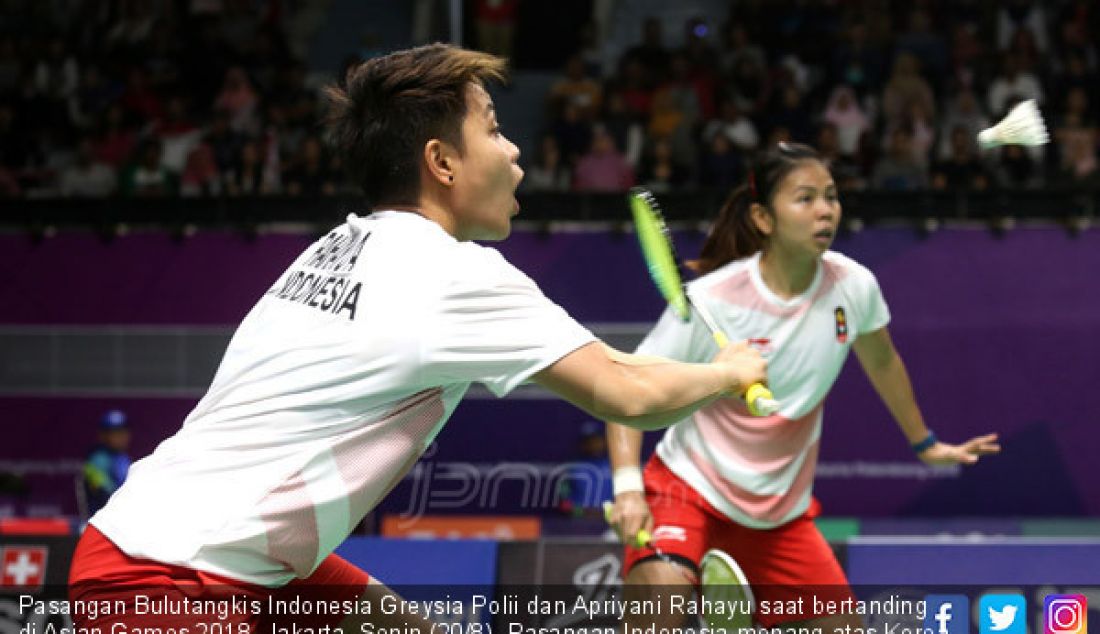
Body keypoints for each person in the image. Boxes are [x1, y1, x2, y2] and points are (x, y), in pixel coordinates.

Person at [67, 44, 767, 632]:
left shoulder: (335, 248)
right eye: (493, 128)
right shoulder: (453, 274)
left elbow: (261, 505)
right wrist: (728, 371)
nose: (514, 148)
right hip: (173, 581)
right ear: (442, 162)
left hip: (156, 547)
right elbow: (632, 392)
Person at [605, 142, 1000, 632]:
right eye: (806, 198)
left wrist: (925, 443)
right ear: (763, 218)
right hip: (688, 490)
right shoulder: (714, 299)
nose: (824, 210)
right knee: (656, 613)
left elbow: (883, 362)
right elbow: (629, 389)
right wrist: (627, 489)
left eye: (831, 197)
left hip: (779, 515)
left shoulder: (853, 287)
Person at [82, 409, 132, 516]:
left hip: (124, 518)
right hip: (102, 522)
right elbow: (106, 494)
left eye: (123, 431)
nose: (122, 436)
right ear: (103, 435)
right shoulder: (95, 462)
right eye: (115, 432)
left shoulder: (125, 458)